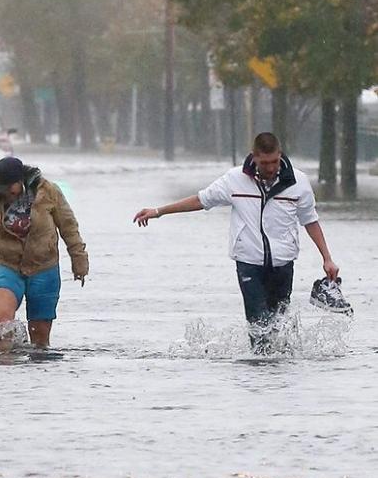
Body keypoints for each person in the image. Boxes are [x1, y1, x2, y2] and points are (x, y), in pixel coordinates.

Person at [133, 132, 340, 350]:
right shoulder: (235, 180)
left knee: (279, 325)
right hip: (248, 263)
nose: (270, 168)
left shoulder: (298, 183)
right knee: (258, 323)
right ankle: (258, 373)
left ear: (280, 155)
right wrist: (159, 211)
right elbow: (201, 200)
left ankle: (278, 373)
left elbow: (310, 220)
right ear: (254, 157)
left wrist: (327, 258)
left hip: (283, 263)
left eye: (274, 162)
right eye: (264, 163)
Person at [0, 156, 89, 349]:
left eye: (9, 187)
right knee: (1, 326)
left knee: (39, 343)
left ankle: (31, 378)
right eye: (1, 188)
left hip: (44, 269)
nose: (6, 193)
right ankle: (2, 371)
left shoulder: (48, 192)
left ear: (20, 181)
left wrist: (79, 261)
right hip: (8, 268)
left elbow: (69, 228)